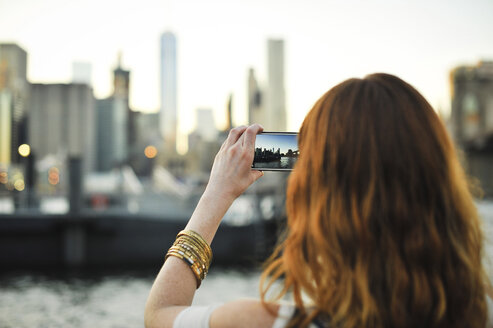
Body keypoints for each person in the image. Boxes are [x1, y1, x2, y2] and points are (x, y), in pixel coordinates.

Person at [145, 73, 493, 328]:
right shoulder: (478, 313)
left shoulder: (269, 322)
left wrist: (216, 193)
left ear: (320, 196)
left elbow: (159, 315)